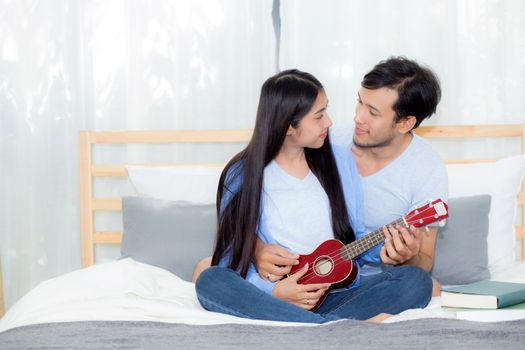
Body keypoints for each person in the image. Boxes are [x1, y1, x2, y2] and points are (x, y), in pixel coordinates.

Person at [194, 69, 432, 324]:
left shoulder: (340, 161)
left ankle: (313, 327)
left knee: (416, 281)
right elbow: (232, 255)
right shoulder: (241, 175)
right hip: (274, 297)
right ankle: (329, 328)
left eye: (326, 111)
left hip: (337, 293)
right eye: (319, 116)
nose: (329, 122)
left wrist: (391, 249)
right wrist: (274, 291)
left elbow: (355, 239)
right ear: (288, 125)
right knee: (211, 279)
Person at [254, 57, 447, 296]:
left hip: (364, 275)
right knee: (209, 270)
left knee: (424, 284)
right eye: (360, 102)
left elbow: (425, 260)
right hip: (294, 269)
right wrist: (257, 249)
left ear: (405, 123)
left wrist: (408, 257)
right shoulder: (324, 139)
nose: (358, 117)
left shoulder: (427, 168)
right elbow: (255, 196)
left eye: (373, 112)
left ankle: (319, 314)